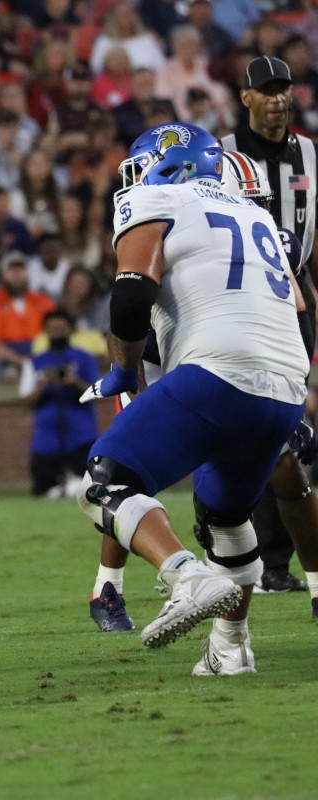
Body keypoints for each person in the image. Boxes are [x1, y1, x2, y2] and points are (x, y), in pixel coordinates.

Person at [78, 123, 308, 675]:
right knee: (227, 519)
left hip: (218, 370)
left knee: (104, 482)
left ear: (170, 165)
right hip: (286, 387)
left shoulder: (152, 198)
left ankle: (185, 574)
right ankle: (232, 648)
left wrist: (124, 371)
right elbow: (298, 304)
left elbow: (132, 294)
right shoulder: (256, 216)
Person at [220, 56, 318, 596]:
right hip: (244, 301)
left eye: (284, 89)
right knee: (256, 425)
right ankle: (243, 545)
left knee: (286, 426)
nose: (279, 98)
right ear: (247, 98)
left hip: (296, 296)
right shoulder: (221, 154)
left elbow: (313, 231)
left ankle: (274, 560)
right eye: (267, 90)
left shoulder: (308, 152)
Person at [19, 311, 99, 499]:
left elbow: (96, 392)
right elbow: (25, 399)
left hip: (81, 433)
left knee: (90, 488)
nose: (57, 333)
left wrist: (74, 382)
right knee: (43, 490)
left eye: (61, 328)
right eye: (53, 329)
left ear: (71, 330)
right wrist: (43, 384)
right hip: (46, 436)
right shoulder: (34, 362)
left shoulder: (85, 358)